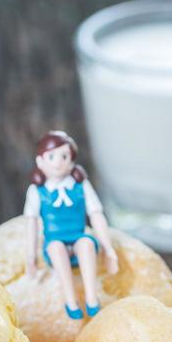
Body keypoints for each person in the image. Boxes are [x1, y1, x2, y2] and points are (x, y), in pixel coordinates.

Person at [24, 130, 118, 319]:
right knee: (56, 248)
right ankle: (70, 300)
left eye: (64, 156)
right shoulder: (37, 191)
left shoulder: (81, 186)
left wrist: (109, 249)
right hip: (54, 241)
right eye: (51, 156)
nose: (58, 162)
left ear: (72, 160)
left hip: (78, 236)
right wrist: (30, 257)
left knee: (87, 244)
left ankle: (92, 299)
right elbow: (31, 224)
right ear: (40, 162)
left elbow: (96, 215)